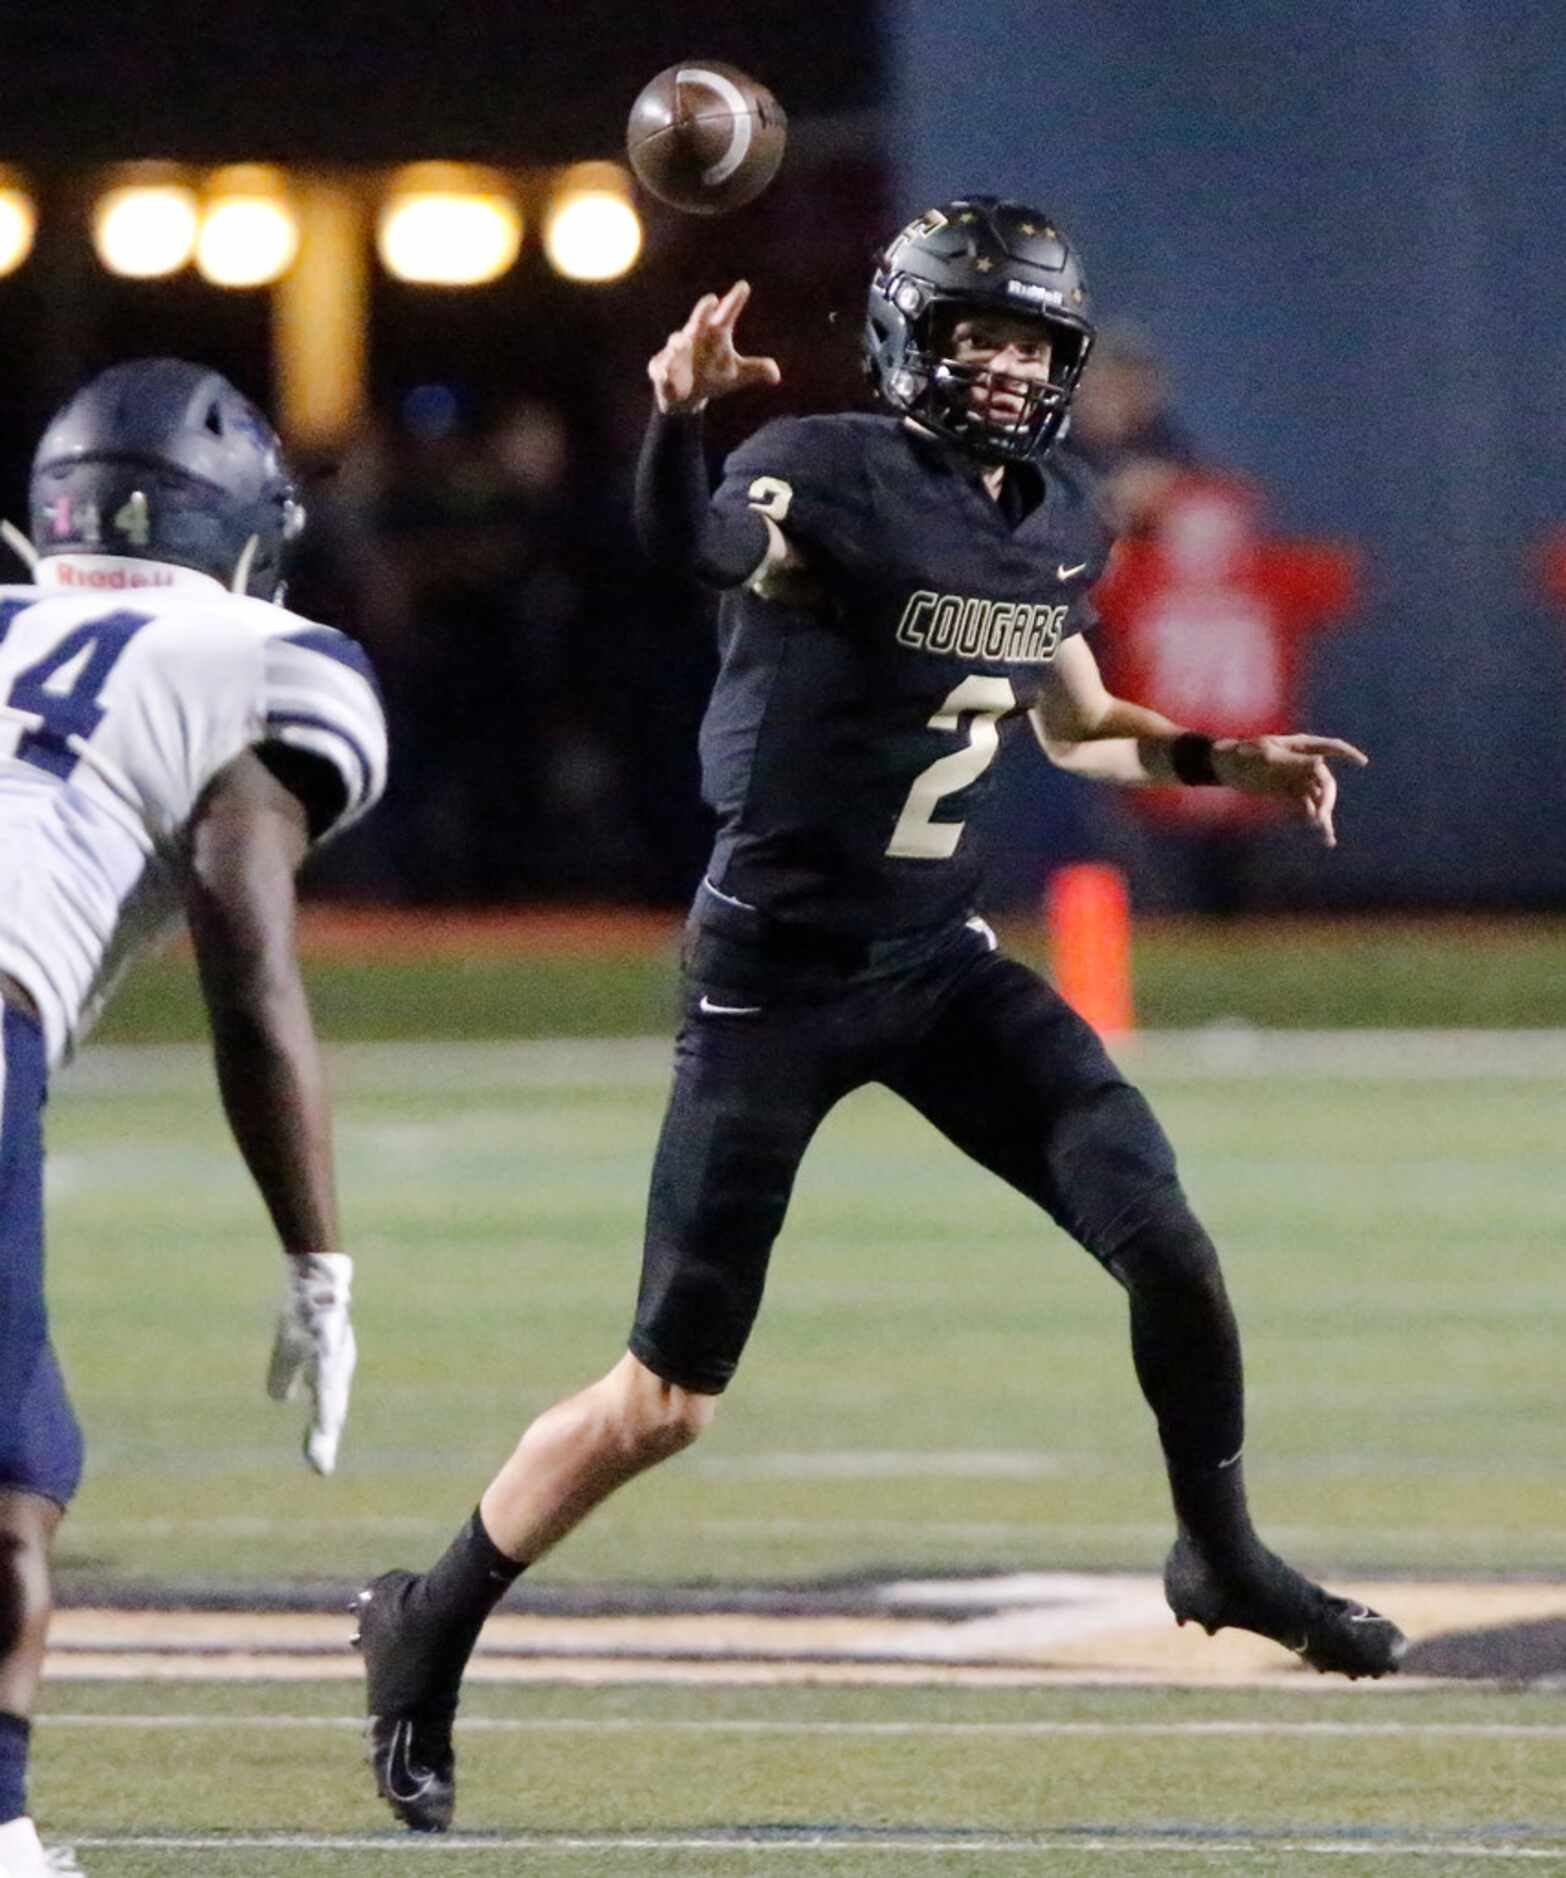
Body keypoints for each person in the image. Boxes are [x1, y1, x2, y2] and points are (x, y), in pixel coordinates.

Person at [355, 197, 1404, 1835]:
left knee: (1166, 1237)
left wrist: (1228, 760)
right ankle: (429, 1620)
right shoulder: (825, 467)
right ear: (915, 334)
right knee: (664, 1401)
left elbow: (1084, 731)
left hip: (934, 962)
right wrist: (677, 416)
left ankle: (1221, 1547)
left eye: (1028, 341)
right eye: (976, 332)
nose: (1003, 366)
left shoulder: (1054, 513)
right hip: (769, 976)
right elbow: (684, 549)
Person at [0, 360, 387, 1877]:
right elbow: (248, 947)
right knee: (10, 1471)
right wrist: (319, 1257)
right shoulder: (260, 650)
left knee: (27, 1449)